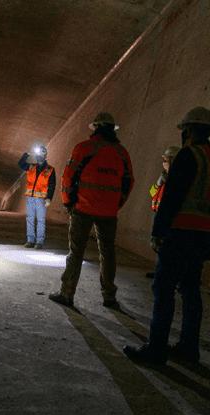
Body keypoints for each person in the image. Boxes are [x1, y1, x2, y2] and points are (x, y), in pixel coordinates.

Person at [123, 107, 210, 365]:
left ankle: (155, 351)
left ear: (188, 130)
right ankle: (189, 350)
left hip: (180, 233)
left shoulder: (189, 155)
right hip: (202, 235)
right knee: (190, 291)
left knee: (163, 288)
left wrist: (158, 232)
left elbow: (173, 197)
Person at [48, 112, 134, 309]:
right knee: (108, 252)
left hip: (83, 208)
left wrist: (68, 202)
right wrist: (117, 204)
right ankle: (109, 296)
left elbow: (68, 178)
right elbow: (129, 182)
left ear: (95, 128)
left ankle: (67, 293)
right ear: (113, 130)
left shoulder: (85, 148)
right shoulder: (122, 153)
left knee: (76, 251)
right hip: (109, 213)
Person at [146, 146, 180, 279]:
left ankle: (164, 272)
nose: (163, 162)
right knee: (157, 243)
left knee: (163, 245)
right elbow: (152, 193)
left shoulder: (177, 178)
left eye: (166, 159)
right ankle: (160, 270)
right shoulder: (165, 177)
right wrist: (159, 182)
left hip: (167, 215)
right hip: (159, 213)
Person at [18, 144, 56, 249]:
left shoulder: (50, 169)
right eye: (38, 154)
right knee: (29, 219)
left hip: (41, 199)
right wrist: (27, 154)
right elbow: (20, 164)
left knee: (40, 220)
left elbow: (52, 184)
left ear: (45, 155)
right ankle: (30, 240)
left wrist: (49, 198)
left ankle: (39, 242)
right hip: (30, 198)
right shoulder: (31, 167)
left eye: (41, 154)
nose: (39, 156)